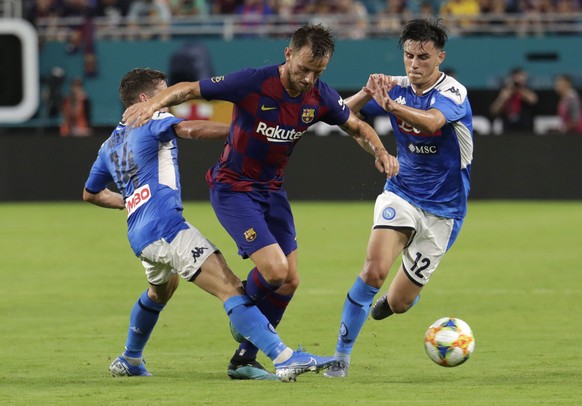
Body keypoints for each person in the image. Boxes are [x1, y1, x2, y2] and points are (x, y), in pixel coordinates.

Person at [122, 24, 399, 381]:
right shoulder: (253, 82)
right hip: (233, 188)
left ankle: (244, 358)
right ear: (288, 54)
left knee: (290, 281)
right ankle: (243, 313)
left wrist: (380, 151)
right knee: (275, 271)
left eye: (318, 72)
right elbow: (189, 89)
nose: (308, 78)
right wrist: (154, 106)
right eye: (303, 69)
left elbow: (357, 127)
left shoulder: (320, 96)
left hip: (272, 191)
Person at [83, 68, 337, 382]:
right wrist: (241, 131)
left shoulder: (108, 146)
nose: (169, 100)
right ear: (145, 99)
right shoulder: (154, 119)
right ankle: (284, 358)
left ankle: (130, 358)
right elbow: (191, 130)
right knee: (229, 286)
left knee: (160, 291)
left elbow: (90, 193)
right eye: (164, 93)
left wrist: (129, 202)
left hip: (139, 235)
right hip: (166, 227)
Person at [324, 18, 474, 378]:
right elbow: (341, 113)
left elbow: (433, 122)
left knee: (400, 302)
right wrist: (367, 91)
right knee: (373, 271)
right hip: (401, 193)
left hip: (444, 212)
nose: (414, 64)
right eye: (409, 56)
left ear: (440, 57)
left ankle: (394, 302)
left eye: (423, 57)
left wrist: (389, 105)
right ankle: (340, 358)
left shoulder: (453, 93)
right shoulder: (397, 88)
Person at [490, 67, 538, 134]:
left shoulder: (527, 89)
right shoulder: (504, 90)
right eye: (519, 76)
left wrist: (518, 89)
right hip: (508, 128)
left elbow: (533, 100)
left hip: (525, 127)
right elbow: (494, 110)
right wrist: (502, 98)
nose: (522, 79)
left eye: (523, 76)